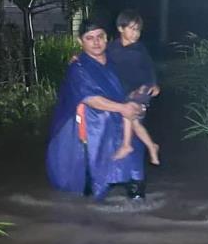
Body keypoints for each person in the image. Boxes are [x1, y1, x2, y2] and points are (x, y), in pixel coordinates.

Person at [46, 20, 143, 200]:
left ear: (107, 38)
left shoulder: (116, 62)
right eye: (89, 38)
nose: (96, 42)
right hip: (92, 132)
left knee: (134, 179)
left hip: (124, 126)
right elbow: (90, 98)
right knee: (92, 189)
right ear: (80, 41)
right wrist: (123, 108)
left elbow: (133, 85)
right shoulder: (78, 68)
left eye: (100, 37)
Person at [106, 9, 161, 197]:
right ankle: (151, 146)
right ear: (120, 28)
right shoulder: (111, 49)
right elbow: (97, 60)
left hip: (141, 90)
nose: (136, 34)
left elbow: (149, 67)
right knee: (135, 122)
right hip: (124, 92)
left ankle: (127, 145)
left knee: (129, 111)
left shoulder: (140, 49)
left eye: (138, 30)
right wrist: (77, 58)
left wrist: (154, 84)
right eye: (132, 29)